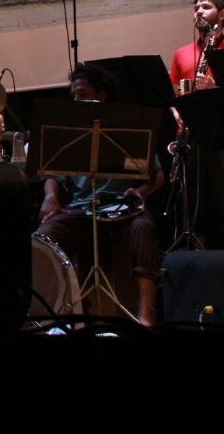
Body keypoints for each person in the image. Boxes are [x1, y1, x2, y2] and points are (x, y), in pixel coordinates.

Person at [35, 63, 163, 326]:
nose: (76, 101)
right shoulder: (70, 132)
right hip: (81, 208)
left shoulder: (128, 126)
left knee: (143, 228)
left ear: (101, 95)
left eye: (82, 94)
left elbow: (157, 174)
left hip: (123, 208)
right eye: (73, 96)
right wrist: (51, 197)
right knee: (44, 236)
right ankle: (58, 317)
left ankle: (146, 317)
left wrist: (141, 192)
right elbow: (53, 176)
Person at [168, 0, 224, 248]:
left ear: (222, 14)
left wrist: (214, 88)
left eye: (205, 7)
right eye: (196, 8)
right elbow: (175, 95)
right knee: (193, 204)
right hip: (191, 134)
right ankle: (197, 260)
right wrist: (177, 112)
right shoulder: (182, 53)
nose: (198, 11)